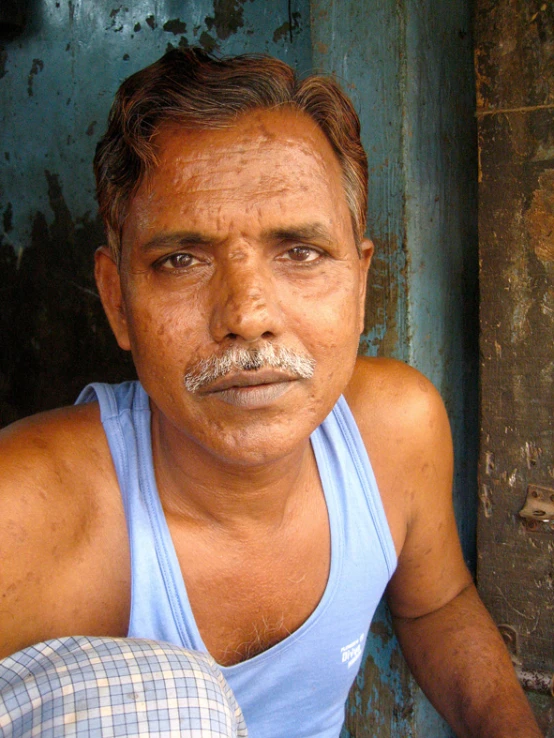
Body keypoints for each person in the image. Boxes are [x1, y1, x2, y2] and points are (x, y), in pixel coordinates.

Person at [0, 48, 542, 738]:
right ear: (116, 300)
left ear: (361, 280)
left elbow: (436, 603)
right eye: (182, 260)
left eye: (301, 252)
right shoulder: (26, 515)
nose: (248, 314)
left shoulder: (395, 433)